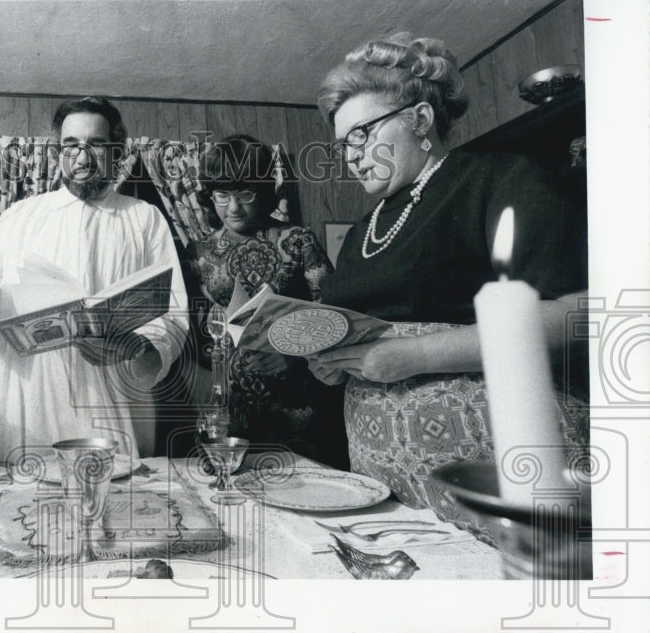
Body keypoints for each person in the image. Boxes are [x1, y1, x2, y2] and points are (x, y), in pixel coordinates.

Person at [310, 33, 588, 505]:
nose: (351, 155)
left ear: (420, 119)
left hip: (495, 472)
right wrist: (329, 364)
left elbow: (580, 315)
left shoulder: (501, 178)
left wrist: (416, 355)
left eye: (362, 133)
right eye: (342, 146)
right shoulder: (361, 231)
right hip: (383, 480)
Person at [0, 96, 188, 462]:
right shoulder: (19, 217)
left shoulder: (144, 218)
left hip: (115, 393)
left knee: (118, 502)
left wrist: (137, 348)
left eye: (96, 145)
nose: (82, 157)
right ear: (58, 153)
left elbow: (174, 311)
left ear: (116, 152)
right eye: (71, 145)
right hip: (34, 396)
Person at [187, 134, 350, 468]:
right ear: (209, 195)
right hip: (228, 407)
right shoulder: (198, 254)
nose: (233, 207)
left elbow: (334, 316)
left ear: (262, 190)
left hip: (298, 401)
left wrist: (296, 358)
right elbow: (192, 333)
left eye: (245, 193)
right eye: (222, 194)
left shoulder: (297, 240)